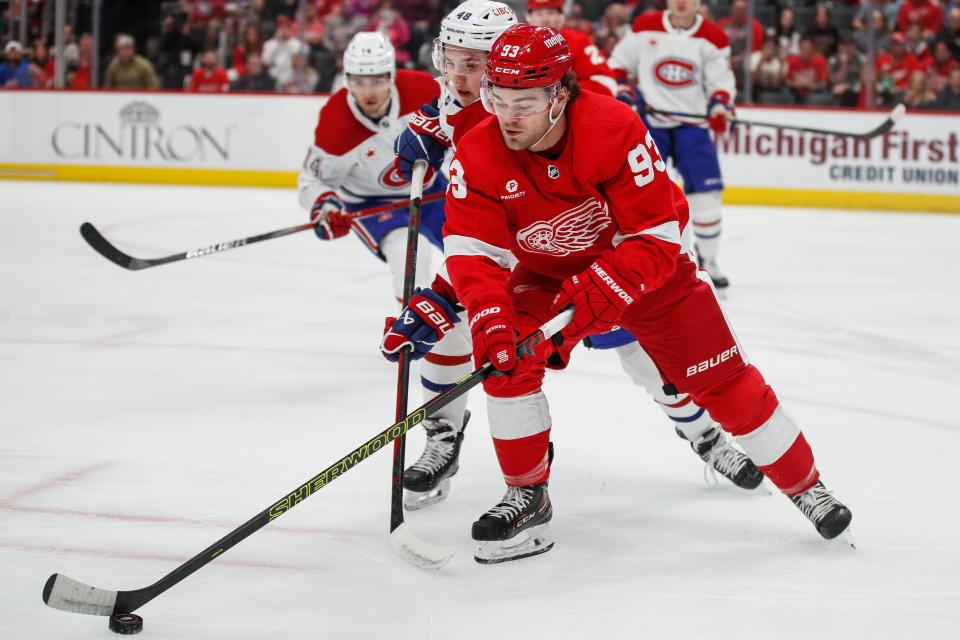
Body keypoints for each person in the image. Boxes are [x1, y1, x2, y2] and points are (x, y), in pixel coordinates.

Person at [438, 24, 852, 563]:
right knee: (505, 357)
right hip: (544, 274)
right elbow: (473, 251)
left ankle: (806, 486)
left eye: (526, 101)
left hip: (650, 274)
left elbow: (655, 235)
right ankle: (527, 494)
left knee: (723, 381)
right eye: (499, 98)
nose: (508, 115)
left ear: (559, 93)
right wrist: (491, 316)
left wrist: (605, 287)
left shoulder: (612, 127)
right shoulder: (478, 148)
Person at [388, 0, 763, 513]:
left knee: (647, 357)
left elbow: (606, 139)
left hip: (596, 252)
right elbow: (472, 191)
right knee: (456, 325)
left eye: (473, 65)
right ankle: (443, 434)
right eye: (448, 61)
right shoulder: (474, 92)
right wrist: (430, 125)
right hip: (517, 248)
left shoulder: (555, 98)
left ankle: (703, 434)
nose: (456, 77)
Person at [610, 0, 736, 290]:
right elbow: (618, 64)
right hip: (651, 125)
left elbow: (721, 82)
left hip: (693, 128)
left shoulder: (713, 36)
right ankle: (633, 254)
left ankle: (710, 260)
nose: (681, 2)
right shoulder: (645, 27)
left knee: (706, 198)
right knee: (637, 192)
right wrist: (625, 92)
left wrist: (719, 106)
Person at [524, 0, 618, 97]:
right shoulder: (519, 46)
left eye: (550, 13)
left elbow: (606, 83)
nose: (545, 19)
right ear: (529, 17)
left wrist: (565, 92)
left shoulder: (578, 40)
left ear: (560, 16)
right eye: (539, 14)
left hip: (572, 104)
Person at [785, 36, 829, 104]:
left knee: (823, 94)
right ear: (800, 48)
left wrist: (811, 85)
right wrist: (795, 84)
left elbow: (824, 83)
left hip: (813, 92)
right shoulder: (792, 60)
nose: (806, 50)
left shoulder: (820, 61)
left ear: (813, 49)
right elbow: (786, 80)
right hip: (795, 91)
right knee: (785, 91)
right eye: (804, 48)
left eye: (808, 48)